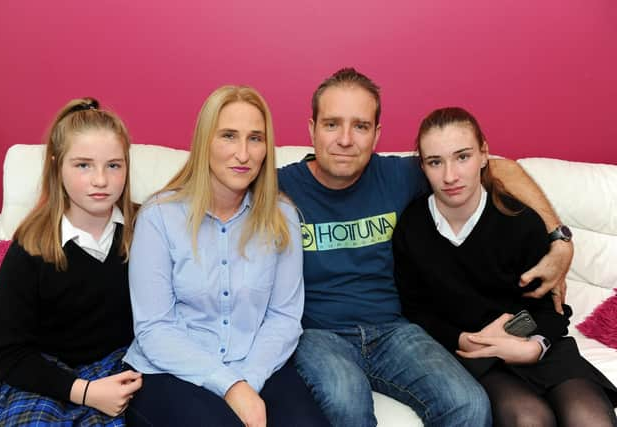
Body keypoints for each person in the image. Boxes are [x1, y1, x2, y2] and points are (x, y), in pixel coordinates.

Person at [277, 68, 575, 427]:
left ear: (376, 134)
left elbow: (498, 170)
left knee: (468, 404)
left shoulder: (400, 174)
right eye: (331, 124)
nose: (345, 139)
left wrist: (559, 240)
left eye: (360, 126)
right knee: (345, 401)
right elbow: (209, 185)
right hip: (319, 333)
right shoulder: (277, 186)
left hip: (395, 331)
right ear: (311, 129)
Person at [392, 106, 617, 426]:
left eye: (463, 157)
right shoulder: (412, 227)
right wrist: (461, 339)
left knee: (590, 418)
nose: (450, 176)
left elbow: (551, 308)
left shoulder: (520, 220)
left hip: (536, 346)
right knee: (528, 418)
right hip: (476, 357)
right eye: (435, 162)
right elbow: (414, 310)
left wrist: (533, 347)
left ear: (484, 154)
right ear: (423, 166)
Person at [123, 85, 329, 427]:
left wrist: (248, 379)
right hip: (170, 370)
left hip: (256, 364)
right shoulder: (159, 216)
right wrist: (230, 386)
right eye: (229, 136)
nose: (243, 154)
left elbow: (284, 317)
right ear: (205, 142)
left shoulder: (283, 216)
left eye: (255, 138)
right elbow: (154, 327)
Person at [0, 98, 142, 426]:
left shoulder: (147, 228)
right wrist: (83, 392)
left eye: (114, 165)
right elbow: (6, 352)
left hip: (122, 365)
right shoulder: (31, 247)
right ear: (56, 166)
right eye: (83, 165)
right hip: (46, 374)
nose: (100, 180)